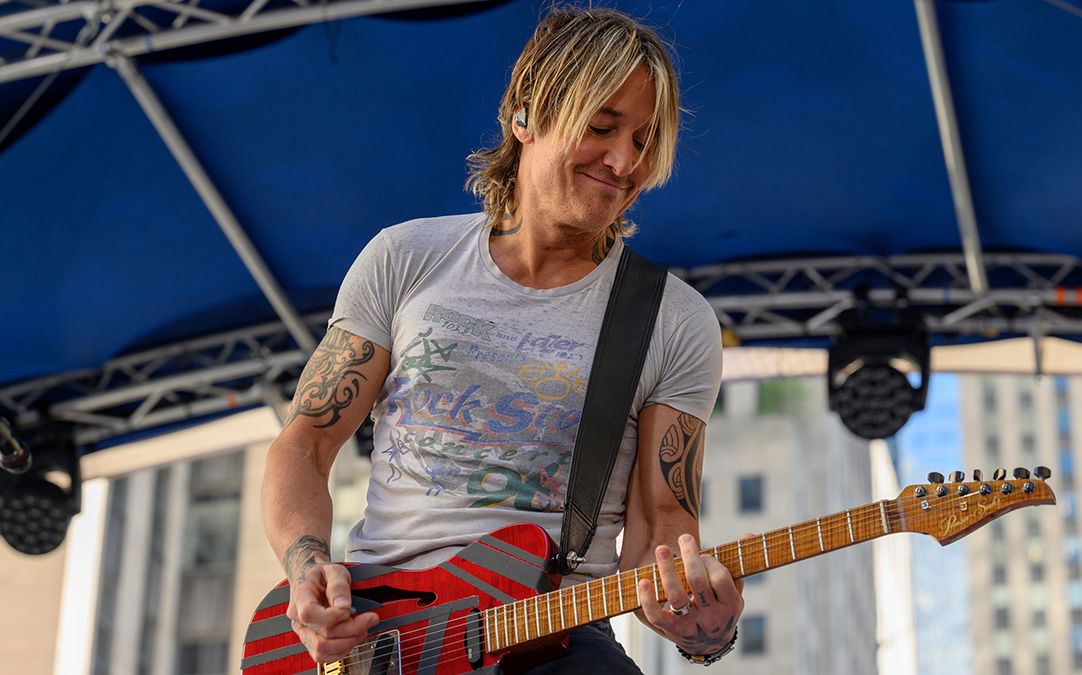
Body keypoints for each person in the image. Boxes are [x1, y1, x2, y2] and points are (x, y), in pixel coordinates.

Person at [262, 6, 742, 672]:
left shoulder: (673, 319)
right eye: (602, 127)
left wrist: (703, 628)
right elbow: (304, 444)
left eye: (643, 139)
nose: (624, 160)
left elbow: (662, 533)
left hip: (550, 636)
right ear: (525, 117)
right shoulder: (405, 257)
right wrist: (307, 567)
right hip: (380, 632)